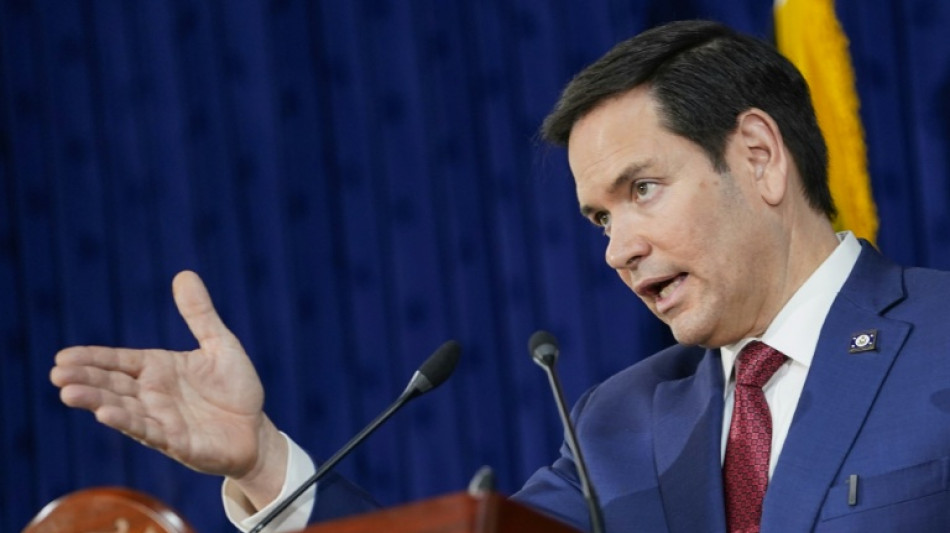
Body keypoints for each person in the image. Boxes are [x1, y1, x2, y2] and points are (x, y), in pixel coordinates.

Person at [50, 19, 950, 533]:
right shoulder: (619, 419)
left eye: (642, 190)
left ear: (757, 155)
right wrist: (260, 458)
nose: (618, 248)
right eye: (600, 219)